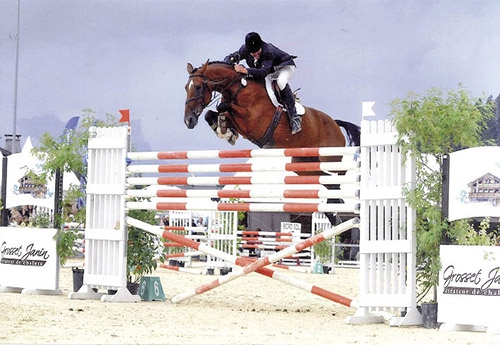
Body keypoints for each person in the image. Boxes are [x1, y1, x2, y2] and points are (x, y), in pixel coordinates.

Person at [224, 32, 302, 135]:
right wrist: (228, 64)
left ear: (261, 46)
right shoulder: (245, 49)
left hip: (284, 67)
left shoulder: (267, 51)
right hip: (270, 72)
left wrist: (245, 70)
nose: (256, 56)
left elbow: (263, 72)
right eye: (253, 54)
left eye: (258, 53)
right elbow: (230, 58)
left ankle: (294, 117)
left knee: (281, 82)